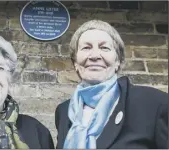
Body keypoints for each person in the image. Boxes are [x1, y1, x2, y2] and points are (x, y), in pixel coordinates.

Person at [55, 20, 168, 149]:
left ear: (118, 61)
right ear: (75, 62)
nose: (94, 56)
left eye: (104, 48)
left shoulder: (154, 103)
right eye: (86, 47)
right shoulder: (63, 111)